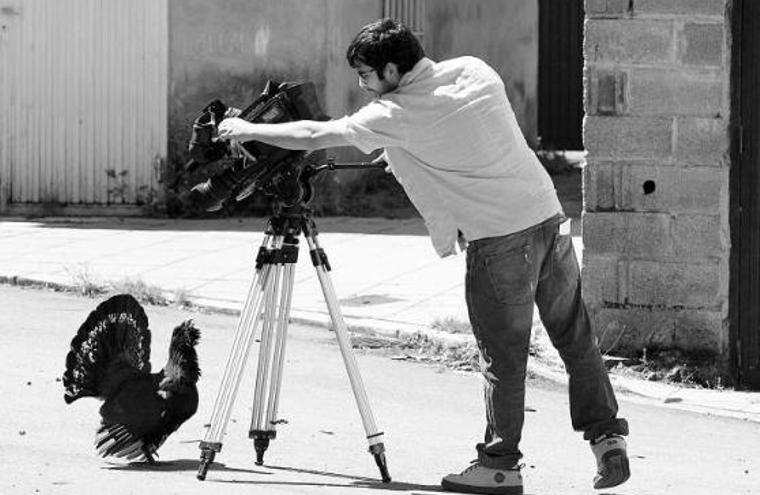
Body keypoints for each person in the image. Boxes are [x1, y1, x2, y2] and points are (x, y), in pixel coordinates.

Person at [216, 18, 630, 495]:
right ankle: (607, 440)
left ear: (392, 69)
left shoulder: (393, 114)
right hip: (548, 220)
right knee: (575, 338)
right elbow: (463, 139)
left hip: (499, 242)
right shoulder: (474, 70)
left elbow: (314, 133)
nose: (362, 85)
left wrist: (244, 128)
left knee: (504, 359)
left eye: (366, 75)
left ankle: (499, 466)